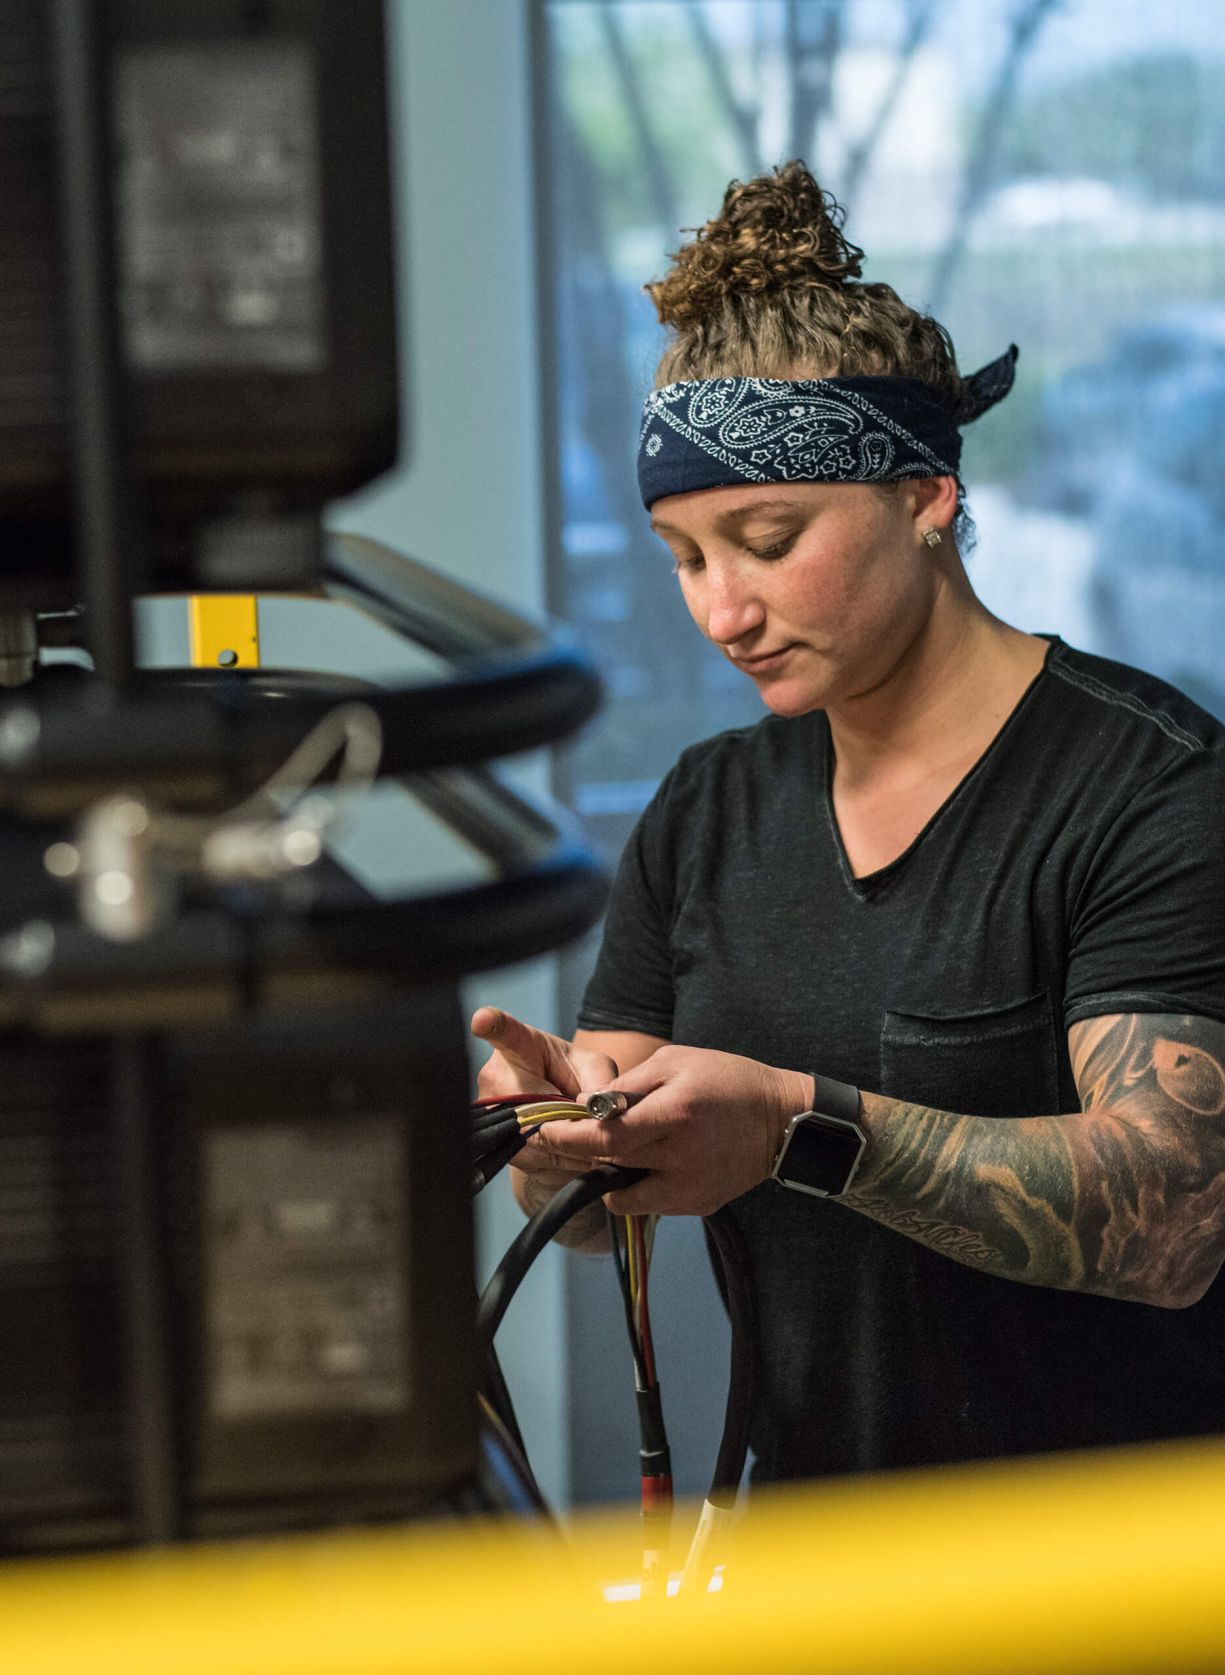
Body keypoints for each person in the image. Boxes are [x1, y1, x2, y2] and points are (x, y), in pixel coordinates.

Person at [473, 161, 1225, 1482]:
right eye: (688, 560)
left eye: (768, 539)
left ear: (923, 495)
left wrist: (788, 1125)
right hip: (822, 1565)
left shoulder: (1149, 787)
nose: (720, 612)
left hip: (1121, 1570)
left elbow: (1169, 1220)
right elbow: (593, 1216)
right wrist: (558, 1140)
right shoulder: (708, 807)